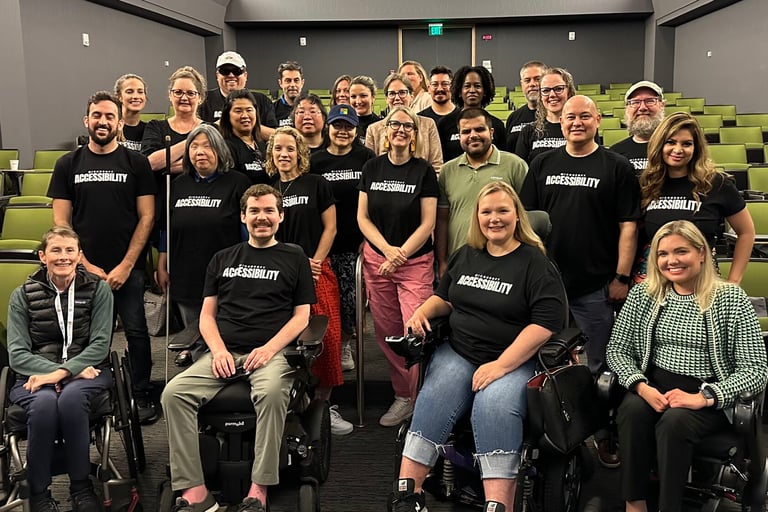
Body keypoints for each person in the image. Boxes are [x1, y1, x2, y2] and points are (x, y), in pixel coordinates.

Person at [390, 181, 567, 512]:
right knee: (436, 394)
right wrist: (423, 310)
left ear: (517, 216)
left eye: (502, 211)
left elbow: (544, 325)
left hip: (514, 360)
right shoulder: (466, 254)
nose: (494, 218)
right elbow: (446, 297)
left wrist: (500, 366)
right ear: (477, 217)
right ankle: (407, 494)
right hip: (461, 351)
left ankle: (498, 504)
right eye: (486, 212)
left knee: (493, 405)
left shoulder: (535, 263)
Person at [160, 184, 316, 512]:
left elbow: (303, 316)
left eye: (269, 210)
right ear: (243, 216)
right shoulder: (223, 258)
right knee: (173, 394)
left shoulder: (295, 257)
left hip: (271, 354)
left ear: (281, 216)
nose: (262, 217)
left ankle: (258, 489)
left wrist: (269, 349)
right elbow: (206, 316)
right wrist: (218, 351)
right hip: (225, 352)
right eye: (254, 211)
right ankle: (196, 492)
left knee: (271, 394)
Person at [606, 220, 767, 512]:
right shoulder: (643, 295)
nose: (672, 261)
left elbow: (756, 370)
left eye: (681, 251)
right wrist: (640, 386)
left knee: (675, 422)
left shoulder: (731, 299)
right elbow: (617, 350)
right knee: (631, 410)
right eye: (663, 254)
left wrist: (704, 397)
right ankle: (635, 504)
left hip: (708, 395)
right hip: (654, 385)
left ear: (702, 253)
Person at [520, 95, 640, 467]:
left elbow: (628, 226)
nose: (576, 122)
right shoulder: (542, 164)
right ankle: (549, 436)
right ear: (561, 122)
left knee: (600, 366)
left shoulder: (616, 166)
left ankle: (602, 434)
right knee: (542, 362)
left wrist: (621, 276)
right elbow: (526, 223)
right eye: (570, 116)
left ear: (597, 120)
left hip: (595, 285)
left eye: (584, 116)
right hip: (547, 288)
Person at [48, 91, 158, 424]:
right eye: (97, 115)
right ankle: (97, 395)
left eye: (110, 116)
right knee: (92, 335)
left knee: (136, 331)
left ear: (119, 122)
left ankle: (140, 394)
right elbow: (61, 223)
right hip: (84, 270)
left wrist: (126, 265)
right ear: (87, 120)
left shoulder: (136, 163)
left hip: (129, 268)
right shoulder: (68, 164)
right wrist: (85, 264)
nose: (103, 121)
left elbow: (147, 217)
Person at [7, 226, 114, 512]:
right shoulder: (22, 295)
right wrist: (66, 371)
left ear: (79, 256)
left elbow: (100, 345)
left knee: (70, 399)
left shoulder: (99, 290)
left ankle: (81, 487)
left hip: (89, 371)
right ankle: (39, 494)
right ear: (43, 256)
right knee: (43, 405)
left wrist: (60, 374)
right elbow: (17, 354)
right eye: (56, 250)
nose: (63, 256)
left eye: (70, 250)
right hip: (34, 375)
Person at [266, 126, 352, 435]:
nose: (284, 154)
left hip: (317, 268)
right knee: (287, 337)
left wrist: (315, 261)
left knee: (326, 338)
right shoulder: (269, 189)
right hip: (281, 273)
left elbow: (330, 227)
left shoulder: (316, 183)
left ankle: (323, 404)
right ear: (271, 155)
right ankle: (294, 402)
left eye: (290, 148)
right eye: (278, 149)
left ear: (300, 153)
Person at [358, 106, 438, 427]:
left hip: (414, 262)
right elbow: (363, 217)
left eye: (408, 125)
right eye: (395, 124)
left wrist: (400, 254)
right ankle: (403, 395)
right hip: (378, 261)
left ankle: (422, 402)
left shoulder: (423, 171)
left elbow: (428, 222)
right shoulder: (372, 167)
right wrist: (387, 250)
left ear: (415, 134)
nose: (401, 129)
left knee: (415, 332)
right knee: (388, 333)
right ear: (386, 131)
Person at [156, 125, 250, 366]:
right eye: (194, 146)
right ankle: (196, 356)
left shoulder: (238, 182)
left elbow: (246, 232)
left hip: (226, 272)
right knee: (193, 326)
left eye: (207, 146)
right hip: (185, 269)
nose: (200, 152)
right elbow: (166, 227)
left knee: (223, 330)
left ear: (219, 150)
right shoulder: (178, 184)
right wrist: (162, 264)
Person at [638, 112, 754, 283]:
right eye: (671, 142)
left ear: (696, 148)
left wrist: (734, 281)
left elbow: (746, 232)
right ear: (659, 144)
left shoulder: (717, 183)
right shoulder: (646, 184)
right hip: (656, 280)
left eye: (687, 144)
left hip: (703, 280)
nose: (678, 150)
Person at [310, 105, 376, 372]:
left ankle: (345, 343)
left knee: (351, 302)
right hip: (324, 246)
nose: (343, 131)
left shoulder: (367, 158)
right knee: (326, 302)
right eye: (338, 125)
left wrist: (369, 238)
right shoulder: (315, 161)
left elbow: (375, 201)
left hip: (355, 244)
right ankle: (326, 346)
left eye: (349, 127)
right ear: (328, 127)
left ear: (356, 130)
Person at [436, 108, 528, 277]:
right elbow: (442, 219)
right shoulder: (447, 171)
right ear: (459, 136)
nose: (473, 135)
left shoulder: (515, 165)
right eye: (466, 132)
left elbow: (526, 215)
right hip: (459, 261)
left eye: (479, 129)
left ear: (491, 132)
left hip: (504, 261)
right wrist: (442, 261)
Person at [140, 66, 206, 244]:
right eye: (178, 92)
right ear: (170, 95)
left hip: (201, 208)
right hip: (164, 209)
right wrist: (192, 140)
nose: (184, 97)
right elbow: (151, 163)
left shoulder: (210, 129)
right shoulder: (155, 127)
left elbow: (209, 166)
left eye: (190, 93)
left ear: (200, 97)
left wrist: (167, 164)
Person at [365, 73, 443, 173]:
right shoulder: (373, 129)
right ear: (386, 99)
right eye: (392, 93)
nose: (397, 98)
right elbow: (371, 169)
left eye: (402, 92)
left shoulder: (428, 125)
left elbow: (437, 165)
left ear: (412, 96)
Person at [198, 51, 277, 138]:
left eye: (237, 71)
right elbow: (196, 135)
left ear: (245, 75)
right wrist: (222, 124)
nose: (231, 75)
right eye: (225, 71)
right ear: (217, 76)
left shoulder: (262, 100)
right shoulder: (203, 99)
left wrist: (246, 123)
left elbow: (275, 135)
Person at [437, 65, 507, 161]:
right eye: (467, 86)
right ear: (459, 91)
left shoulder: (497, 125)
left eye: (477, 86)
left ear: (485, 91)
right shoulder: (444, 124)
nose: (472, 90)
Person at [514, 67, 576, 164]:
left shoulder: (581, 128)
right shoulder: (528, 131)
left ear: (569, 91)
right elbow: (520, 169)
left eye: (558, 89)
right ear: (541, 96)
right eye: (546, 90)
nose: (552, 95)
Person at [610, 80, 667, 174]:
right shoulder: (615, 153)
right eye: (635, 102)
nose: (642, 107)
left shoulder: (673, 149)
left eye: (650, 101)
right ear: (626, 108)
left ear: (662, 105)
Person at [219, 89, 270, 184]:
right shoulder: (225, 147)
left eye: (249, 110)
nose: (245, 115)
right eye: (238, 111)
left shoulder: (262, 144)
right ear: (227, 115)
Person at [505, 61, 546, 152]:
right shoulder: (513, 117)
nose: (532, 84)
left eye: (537, 79)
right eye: (527, 80)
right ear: (522, 85)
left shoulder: (554, 116)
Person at [114, 73, 147, 151]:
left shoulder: (151, 130)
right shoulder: (111, 127)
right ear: (119, 97)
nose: (136, 96)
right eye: (129, 92)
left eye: (140, 92)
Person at [349, 75, 380, 145]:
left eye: (363, 96)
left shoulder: (380, 126)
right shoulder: (346, 125)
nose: (358, 101)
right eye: (353, 96)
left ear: (373, 97)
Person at [274, 61, 305, 126]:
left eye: (296, 80)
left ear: (302, 83)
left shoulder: (310, 108)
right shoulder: (272, 109)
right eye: (288, 81)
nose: (292, 84)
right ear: (280, 83)